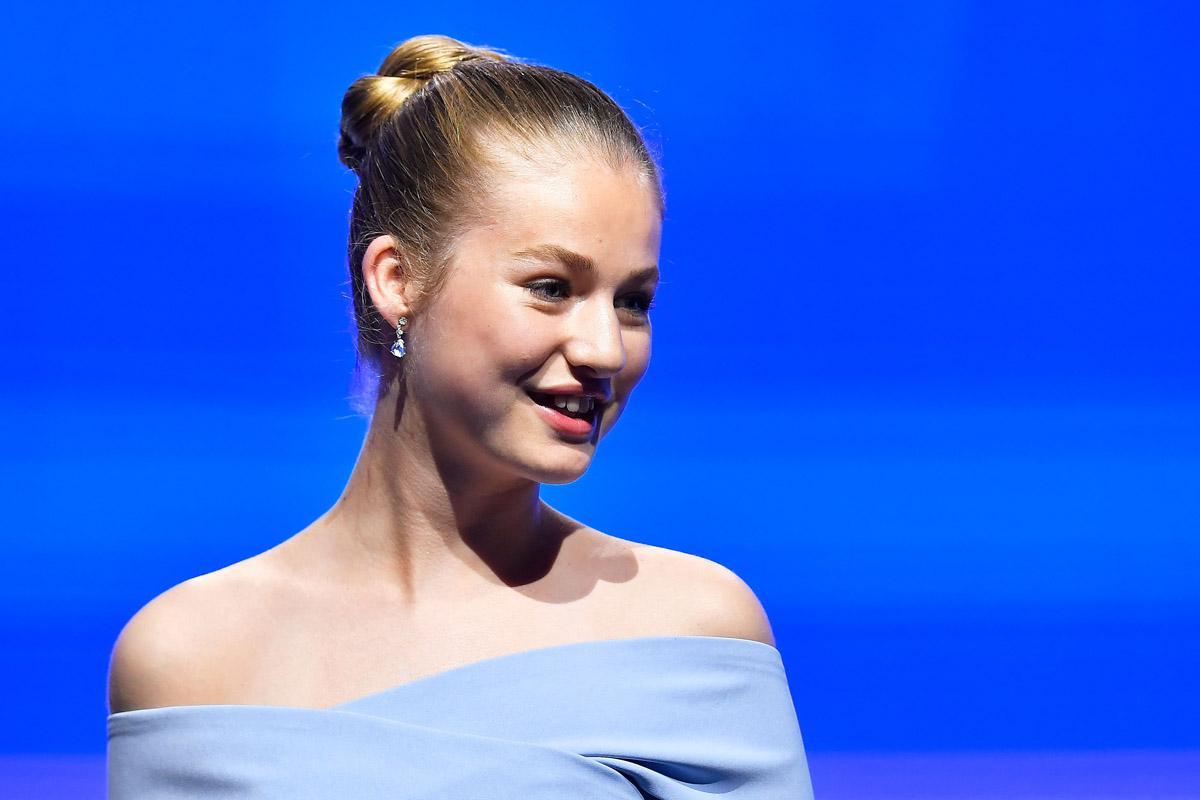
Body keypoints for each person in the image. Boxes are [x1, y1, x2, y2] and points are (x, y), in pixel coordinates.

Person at [106, 34, 815, 798]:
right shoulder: (191, 656)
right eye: (551, 286)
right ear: (398, 279)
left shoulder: (695, 632)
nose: (605, 347)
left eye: (633, 301)